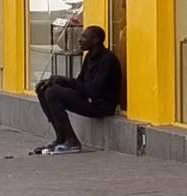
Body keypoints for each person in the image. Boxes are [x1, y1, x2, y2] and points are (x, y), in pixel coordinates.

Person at [33, 25, 123, 154]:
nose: (79, 40)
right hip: (89, 100)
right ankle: (61, 138)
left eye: (84, 37)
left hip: (101, 106)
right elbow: (80, 83)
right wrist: (56, 82)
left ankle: (72, 141)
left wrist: (66, 81)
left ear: (95, 40)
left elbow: (94, 91)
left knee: (53, 93)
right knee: (44, 89)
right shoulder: (89, 57)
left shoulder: (108, 60)